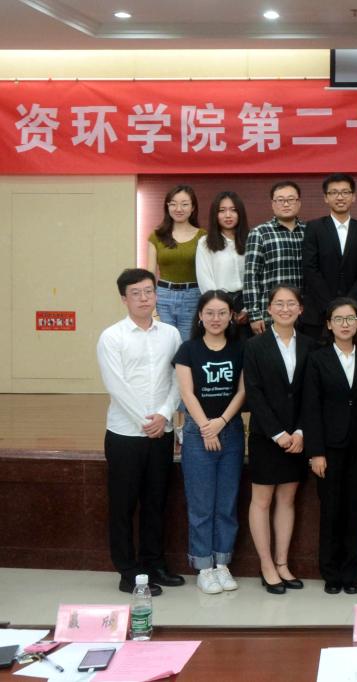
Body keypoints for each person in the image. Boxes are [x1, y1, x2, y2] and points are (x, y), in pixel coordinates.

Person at [96, 268, 184, 595]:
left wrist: (164, 415)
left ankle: (154, 563)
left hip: (161, 432)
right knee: (123, 505)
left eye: (149, 291)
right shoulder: (112, 337)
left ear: (156, 294)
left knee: (155, 502)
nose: (144, 298)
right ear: (124, 299)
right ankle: (127, 570)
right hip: (124, 435)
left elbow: (177, 380)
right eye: (136, 293)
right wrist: (146, 422)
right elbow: (116, 385)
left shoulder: (171, 334)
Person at [172, 290, 246, 594]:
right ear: (200, 316)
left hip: (231, 431)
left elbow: (243, 391)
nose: (216, 318)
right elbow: (186, 393)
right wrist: (206, 427)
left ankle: (222, 563)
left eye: (222, 313)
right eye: (210, 313)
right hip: (197, 433)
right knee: (202, 505)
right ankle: (203, 566)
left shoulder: (241, 348)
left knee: (226, 504)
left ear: (231, 317)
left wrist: (221, 423)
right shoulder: (187, 350)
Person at [303, 297, 357, 595]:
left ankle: (351, 572)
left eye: (350, 319)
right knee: (331, 510)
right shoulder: (317, 359)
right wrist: (316, 452)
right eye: (338, 319)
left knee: (356, 509)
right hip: (328, 447)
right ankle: (331, 573)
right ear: (329, 324)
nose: (345, 324)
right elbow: (311, 407)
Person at [243, 285, 312, 594]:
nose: (285, 309)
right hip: (266, 436)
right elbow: (254, 392)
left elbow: (311, 393)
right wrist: (278, 433)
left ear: (300, 309)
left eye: (291, 303)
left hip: (297, 438)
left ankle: (282, 563)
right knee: (262, 501)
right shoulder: (254, 346)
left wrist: (300, 432)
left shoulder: (310, 345)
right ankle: (266, 565)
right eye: (279, 304)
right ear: (269, 309)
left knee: (287, 500)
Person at [300, 173, 357, 342]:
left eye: (345, 192)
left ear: (353, 197)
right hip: (318, 313)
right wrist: (331, 306)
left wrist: (348, 304)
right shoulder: (314, 228)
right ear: (326, 198)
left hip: (352, 313)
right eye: (334, 192)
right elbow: (310, 268)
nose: (340, 197)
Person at [244, 180, 306, 335]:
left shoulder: (309, 232)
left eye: (291, 199)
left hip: (303, 313)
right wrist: (254, 314)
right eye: (280, 200)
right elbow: (251, 275)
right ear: (272, 204)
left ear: (299, 203)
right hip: (270, 313)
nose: (286, 204)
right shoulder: (260, 233)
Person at [148, 184, 206, 342]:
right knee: (164, 343)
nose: (178, 209)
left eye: (184, 204)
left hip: (193, 296)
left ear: (193, 208)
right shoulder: (156, 236)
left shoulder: (203, 236)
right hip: (163, 296)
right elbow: (150, 274)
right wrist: (152, 306)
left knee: (187, 344)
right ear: (167, 207)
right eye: (173, 204)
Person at [196, 191, 250, 335]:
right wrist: (222, 309)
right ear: (215, 214)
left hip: (247, 304)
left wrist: (248, 309)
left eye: (233, 210)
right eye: (222, 210)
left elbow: (257, 276)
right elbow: (205, 279)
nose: (228, 215)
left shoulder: (251, 239)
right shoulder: (205, 243)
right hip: (219, 305)